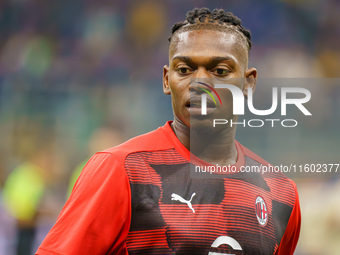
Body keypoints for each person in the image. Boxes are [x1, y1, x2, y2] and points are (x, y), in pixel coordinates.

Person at [36, 8, 301, 255]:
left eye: (220, 71)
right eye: (184, 70)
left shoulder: (281, 194)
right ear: (166, 79)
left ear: (247, 84)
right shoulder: (121, 169)